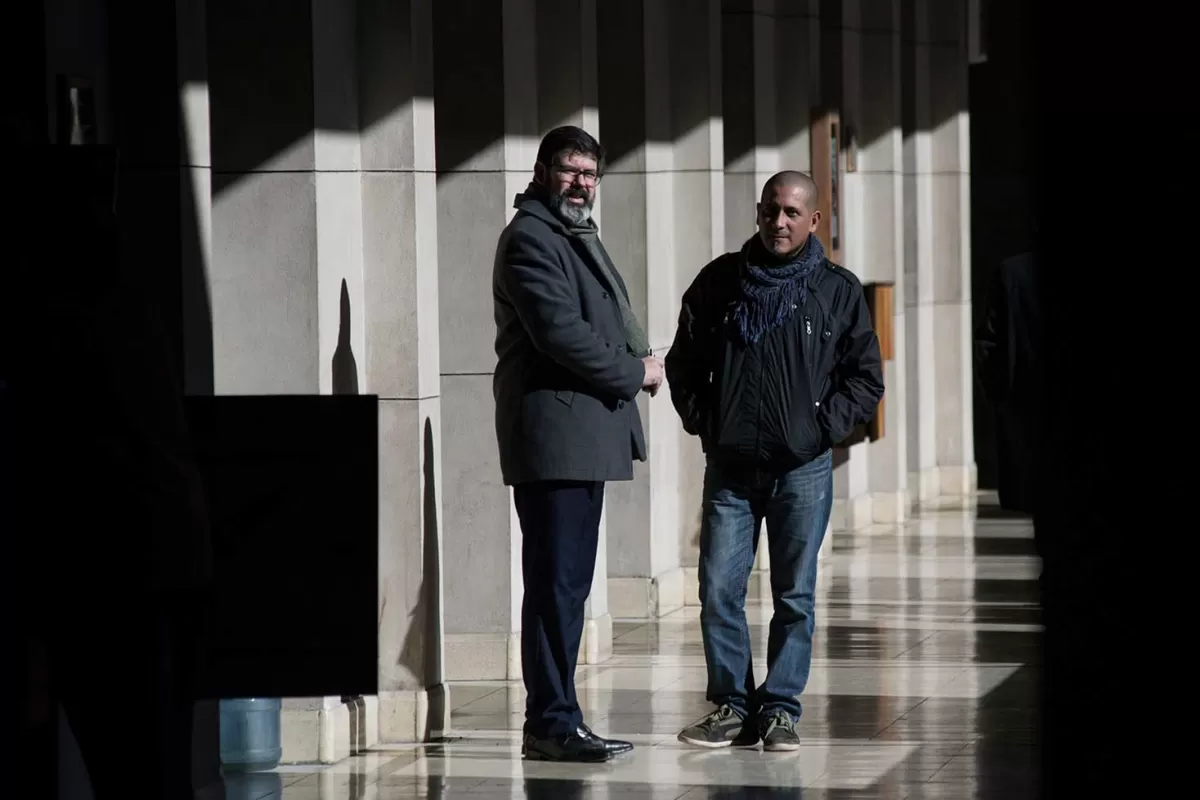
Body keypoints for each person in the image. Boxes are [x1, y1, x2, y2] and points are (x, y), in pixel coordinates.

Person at [665, 171, 884, 752]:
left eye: (791, 212)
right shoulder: (720, 283)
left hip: (802, 469)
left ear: (814, 220)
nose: (778, 222)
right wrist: (705, 421)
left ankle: (781, 708)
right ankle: (732, 706)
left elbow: (865, 380)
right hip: (732, 469)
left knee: (794, 595)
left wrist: (818, 432)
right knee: (718, 590)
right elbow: (681, 362)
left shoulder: (837, 290)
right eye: (769, 211)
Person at [492, 125, 664, 762]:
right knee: (556, 585)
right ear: (542, 170)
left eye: (590, 175)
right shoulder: (530, 239)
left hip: (580, 435)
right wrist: (635, 371)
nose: (581, 184)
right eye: (569, 171)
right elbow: (559, 333)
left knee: (567, 585)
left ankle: (560, 717)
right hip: (555, 437)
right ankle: (551, 724)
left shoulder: (571, 234)